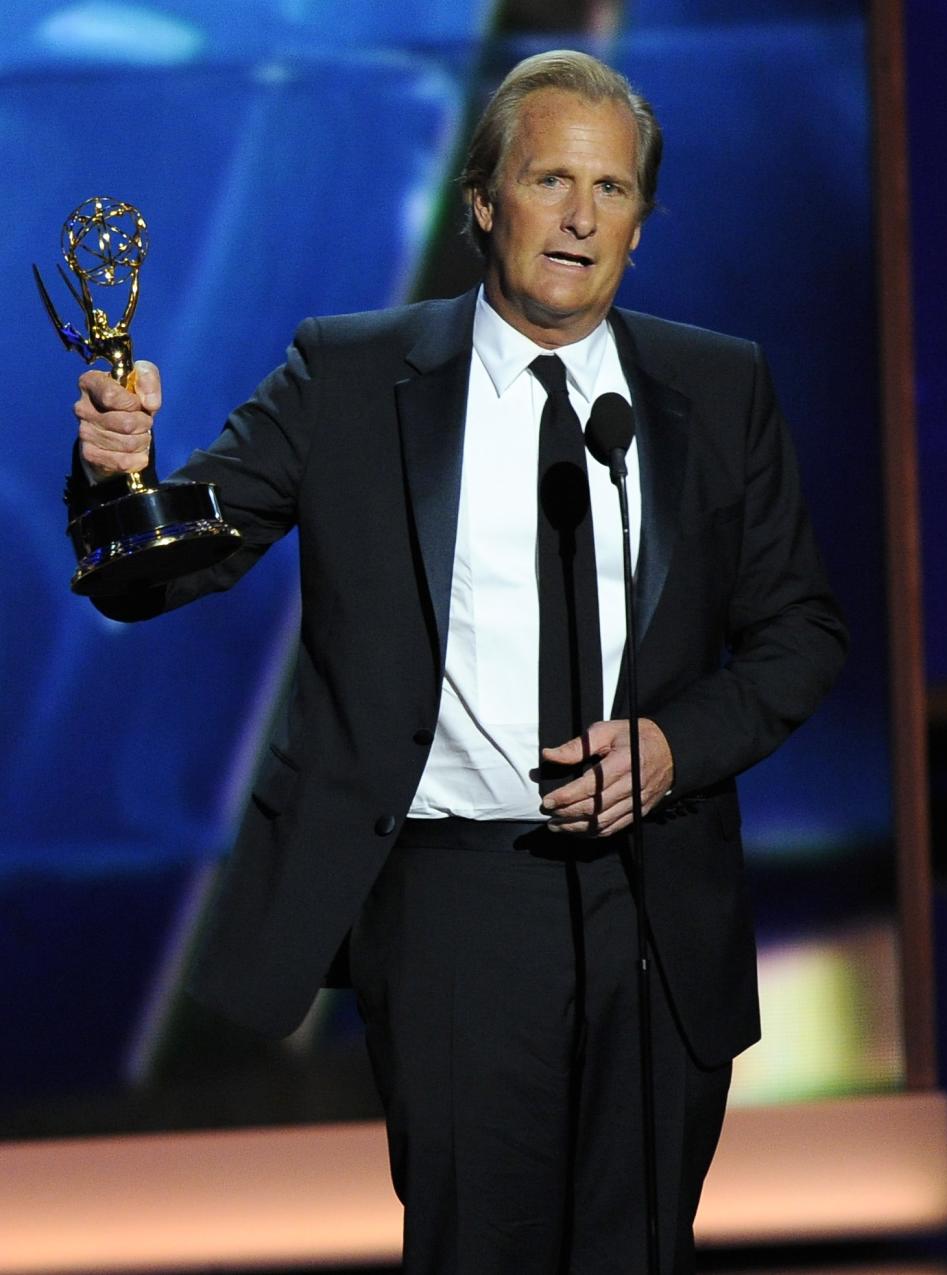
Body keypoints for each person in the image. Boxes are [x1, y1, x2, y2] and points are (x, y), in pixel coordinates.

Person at [70, 50, 847, 1275]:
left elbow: (802, 633)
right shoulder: (352, 375)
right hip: (452, 905)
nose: (583, 216)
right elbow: (158, 571)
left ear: (642, 224)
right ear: (485, 201)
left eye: (613, 189)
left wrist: (671, 745)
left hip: (658, 899)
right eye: (551, 179)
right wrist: (118, 482)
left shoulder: (715, 387)